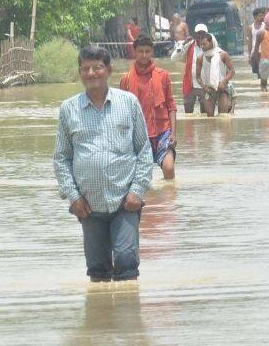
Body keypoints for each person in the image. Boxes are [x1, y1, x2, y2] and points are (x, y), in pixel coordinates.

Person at [54, 45, 153, 283]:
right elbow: (61, 158)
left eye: (97, 67)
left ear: (108, 70)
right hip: (89, 206)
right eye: (85, 68)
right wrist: (74, 198)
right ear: (80, 73)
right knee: (97, 270)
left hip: (125, 202)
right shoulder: (69, 109)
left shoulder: (128, 103)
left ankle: (128, 315)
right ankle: (101, 318)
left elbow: (144, 150)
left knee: (125, 260)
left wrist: (137, 191)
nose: (91, 73)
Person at [120, 35, 177, 180]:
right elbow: (120, 111)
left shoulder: (163, 76)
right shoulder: (126, 79)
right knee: (141, 178)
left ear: (152, 52)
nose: (144, 55)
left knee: (169, 169)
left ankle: (170, 200)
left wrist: (173, 133)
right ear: (135, 52)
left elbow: (171, 106)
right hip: (138, 133)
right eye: (140, 51)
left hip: (162, 131)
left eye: (147, 51)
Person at [194, 32, 235, 115]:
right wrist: (204, 87)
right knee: (209, 116)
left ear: (211, 42)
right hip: (208, 89)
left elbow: (232, 71)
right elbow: (198, 77)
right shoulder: (200, 58)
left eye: (204, 44)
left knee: (223, 115)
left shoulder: (223, 54)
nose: (202, 47)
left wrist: (224, 81)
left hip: (222, 88)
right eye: (201, 44)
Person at [181, 23, 209, 114]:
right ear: (195, 34)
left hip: (204, 84)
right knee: (188, 113)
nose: (200, 35)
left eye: (203, 33)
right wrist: (183, 44)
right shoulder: (189, 45)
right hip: (190, 84)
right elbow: (174, 57)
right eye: (198, 33)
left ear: (206, 34)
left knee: (205, 114)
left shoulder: (211, 47)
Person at [247, 7, 266, 76]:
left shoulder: (265, 26)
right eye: (260, 16)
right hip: (254, 53)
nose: (262, 17)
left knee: (264, 73)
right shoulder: (250, 27)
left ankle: (263, 86)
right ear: (255, 16)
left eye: (263, 15)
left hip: (264, 53)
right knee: (256, 73)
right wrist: (249, 55)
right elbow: (249, 42)